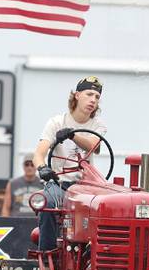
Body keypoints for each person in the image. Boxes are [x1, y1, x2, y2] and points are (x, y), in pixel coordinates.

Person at [33, 76, 107, 250]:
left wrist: (72, 134)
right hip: (60, 184)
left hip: (85, 187)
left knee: (105, 209)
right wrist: (43, 168)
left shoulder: (98, 125)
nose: (93, 100)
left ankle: (96, 255)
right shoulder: (56, 122)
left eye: (97, 97)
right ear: (76, 95)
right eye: (89, 94)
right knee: (48, 204)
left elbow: (93, 145)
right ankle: (47, 255)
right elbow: (39, 154)